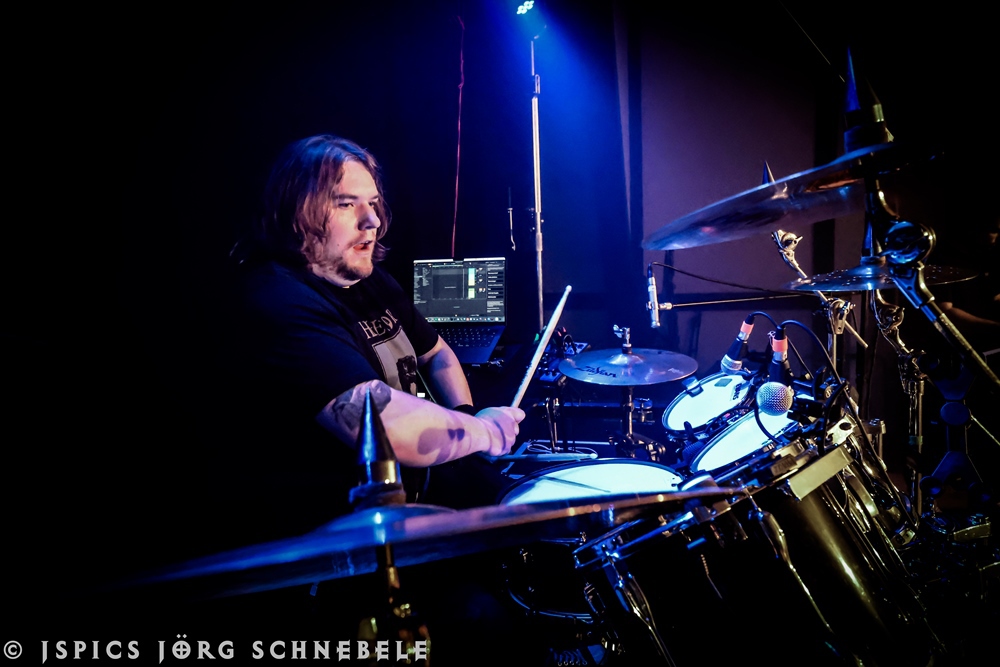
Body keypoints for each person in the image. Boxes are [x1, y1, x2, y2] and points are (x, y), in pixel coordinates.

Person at [214, 134, 546, 664]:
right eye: (347, 204)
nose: (372, 222)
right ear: (297, 211)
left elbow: (439, 354)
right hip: (331, 559)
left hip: (408, 518)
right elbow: (385, 425)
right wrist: (485, 431)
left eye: (373, 203)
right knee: (482, 619)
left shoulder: (368, 280)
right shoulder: (277, 300)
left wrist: (463, 420)